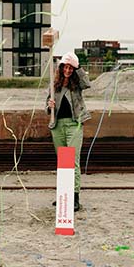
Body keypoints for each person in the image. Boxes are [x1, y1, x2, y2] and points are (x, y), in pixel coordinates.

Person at [46, 52, 91, 212]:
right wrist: (49, 106)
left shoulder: (77, 83)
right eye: (66, 66)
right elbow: (46, 107)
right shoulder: (54, 84)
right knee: (63, 163)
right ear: (61, 67)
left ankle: (75, 197)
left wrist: (78, 67)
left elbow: (87, 83)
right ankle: (63, 196)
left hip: (74, 125)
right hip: (57, 126)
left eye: (71, 67)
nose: (68, 70)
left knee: (73, 161)